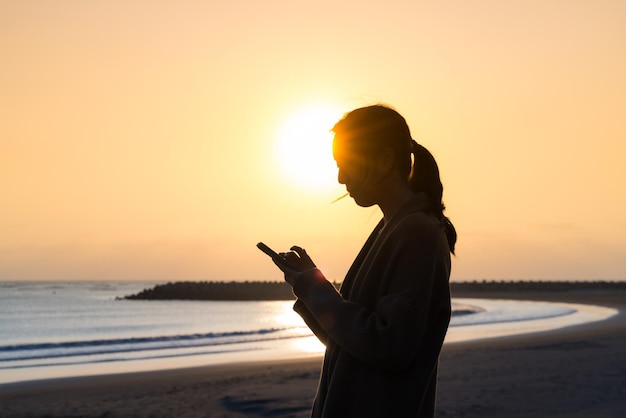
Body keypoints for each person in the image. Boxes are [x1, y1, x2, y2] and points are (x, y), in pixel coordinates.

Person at [271, 104, 456, 418]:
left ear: (385, 160)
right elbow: (349, 342)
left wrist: (317, 292)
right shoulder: (393, 227)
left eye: (347, 164)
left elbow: (390, 346)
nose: (341, 178)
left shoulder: (417, 233)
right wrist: (310, 283)